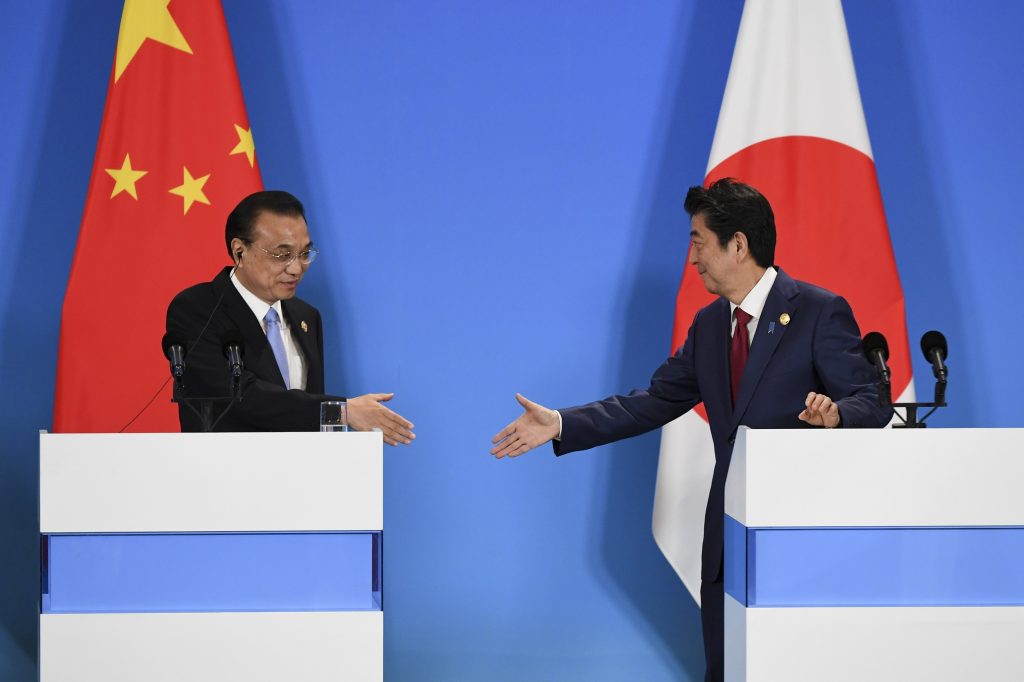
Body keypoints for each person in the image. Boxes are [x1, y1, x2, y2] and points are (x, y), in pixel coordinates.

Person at [489, 178, 889, 681]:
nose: (693, 257)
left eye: (698, 241)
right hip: (729, 537)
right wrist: (563, 424)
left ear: (737, 244)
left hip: (799, 540)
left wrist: (837, 415)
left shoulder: (816, 311)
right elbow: (653, 402)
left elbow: (873, 403)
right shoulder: (707, 325)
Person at [165, 190, 415, 444]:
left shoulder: (306, 316)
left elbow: (307, 422)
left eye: (305, 253)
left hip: (297, 478)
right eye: (282, 255)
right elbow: (241, 397)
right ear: (239, 251)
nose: (296, 268)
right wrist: (341, 410)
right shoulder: (197, 309)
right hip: (223, 475)